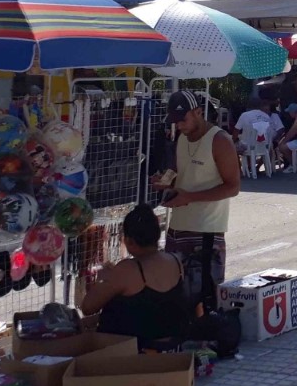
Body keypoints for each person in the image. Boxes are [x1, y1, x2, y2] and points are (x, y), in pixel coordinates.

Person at [152, 90, 242, 303]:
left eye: (183, 120)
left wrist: (190, 197)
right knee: (176, 296)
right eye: (175, 121)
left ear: (199, 112)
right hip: (177, 229)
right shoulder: (182, 138)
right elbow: (180, 174)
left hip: (206, 232)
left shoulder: (219, 140)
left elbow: (233, 187)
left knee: (203, 298)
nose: (179, 126)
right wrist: (164, 181)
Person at [81, 206, 188, 349]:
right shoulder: (175, 261)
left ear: (129, 241)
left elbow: (87, 307)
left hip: (134, 350)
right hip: (171, 344)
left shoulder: (128, 270)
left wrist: (103, 279)